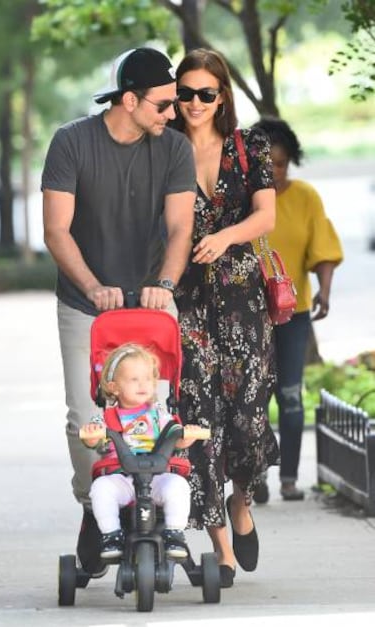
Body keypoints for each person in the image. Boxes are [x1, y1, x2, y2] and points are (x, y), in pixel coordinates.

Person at [41, 47, 197, 575]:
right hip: (86, 302)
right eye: (162, 104)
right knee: (85, 417)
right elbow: (56, 230)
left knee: (161, 409)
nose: (172, 113)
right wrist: (93, 285)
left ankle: (158, 512)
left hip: (153, 298)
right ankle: (95, 505)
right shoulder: (71, 143)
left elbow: (180, 228)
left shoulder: (174, 149)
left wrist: (165, 282)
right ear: (129, 100)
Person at [170, 48, 280, 588]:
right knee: (198, 418)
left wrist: (224, 236)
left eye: (205, 93)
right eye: (185, 92)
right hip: (187, 304)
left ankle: (241, 502)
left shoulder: (247, 146)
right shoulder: (163, 148)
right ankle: (219, 545)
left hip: (242, 301)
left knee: (248, 416)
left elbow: (266, 213)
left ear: (223, 96)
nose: (193, 103)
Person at [251, 117, 344, 502]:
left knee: (290, 395)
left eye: (281, 163)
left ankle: (288, 477)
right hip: (248, 314)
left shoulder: (306, 197)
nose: (274, 170)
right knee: (252, 397)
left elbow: (322, 247)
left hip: (293, 313)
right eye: (267, 163)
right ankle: (254, 477)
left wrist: (324, 289)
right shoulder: (245, 197)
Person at [79, 343, 201, 559]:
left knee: (178, 486)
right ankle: (111, 534)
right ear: (114, 387)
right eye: (134, 379)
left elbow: (175, 437)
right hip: (122, 478)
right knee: (100, 489)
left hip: (157, 477)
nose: (142, 384)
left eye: (147, 378)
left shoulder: (159, 415)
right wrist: (92, 435)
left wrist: (187, 436)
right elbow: (93, 441)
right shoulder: (107, 418)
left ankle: (174, 533)